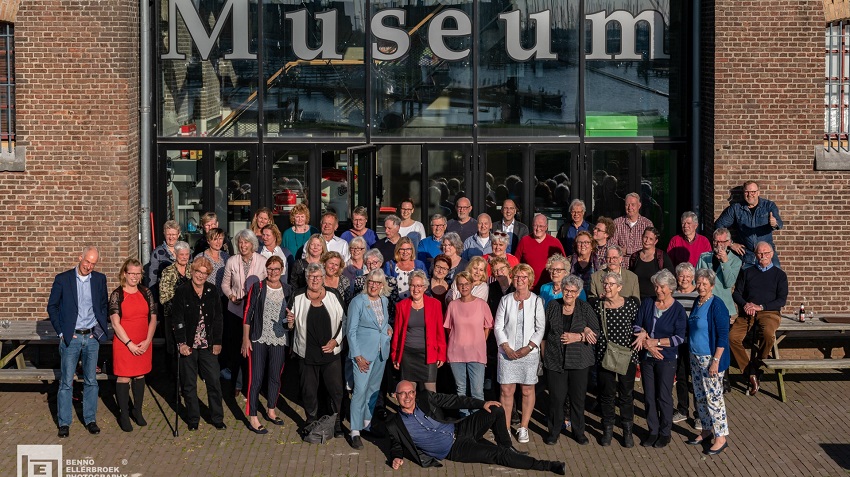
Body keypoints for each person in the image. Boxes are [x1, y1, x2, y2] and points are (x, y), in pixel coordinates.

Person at [385, 380, 565, 474]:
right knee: (496, 456)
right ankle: (548, 466)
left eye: (410, 392)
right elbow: (396, 444)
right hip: (455, 449)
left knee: (495, 409)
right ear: (396, 396)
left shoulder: (424, 398)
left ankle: (508, 447)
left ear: (415, 393)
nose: (407, 397)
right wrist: (396, 457)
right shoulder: (395, 423)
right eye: (403, 394)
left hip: (459, 429)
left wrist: (482, 403)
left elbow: (453, 400)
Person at [48, 246, 109, 438]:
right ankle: (64, 422)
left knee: (91, 381)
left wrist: (98, 330)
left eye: (93, 263)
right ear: (79, 258)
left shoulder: (99, 279)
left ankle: (90, 419)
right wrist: (61, 333)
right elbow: (52, 307)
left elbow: (103, 305)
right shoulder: (63, 279)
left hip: (91, 337)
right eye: (86, 262)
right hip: (71, 337)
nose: (89, 266)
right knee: (66, 382)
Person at [288, 263, 347, 435]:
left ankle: (336, 422)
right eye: (311, 277)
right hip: (306, 353)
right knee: (308, 391)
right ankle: (311, 420)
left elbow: (346, 320)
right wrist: (289, 322)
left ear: (323, 278)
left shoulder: (334, 295)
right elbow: (288, 324)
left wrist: (335, 341)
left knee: (336, 390)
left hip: (331, 353)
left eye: (318, 277)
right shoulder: (297, 296)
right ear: (306, 278)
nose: (315, 280)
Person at [633, 269, 687, 449]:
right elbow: (636, 324)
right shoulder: (648, 303)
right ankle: (653, 430)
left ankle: (665, 432)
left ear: (670, 288)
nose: (658, 290)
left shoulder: (677, 309)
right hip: (647, 357)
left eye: (662, 287)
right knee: (649, 395)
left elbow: (679, 337)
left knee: (663, 396)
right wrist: (645, 340)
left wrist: (656, 342)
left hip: (666, 357)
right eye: (656, 286)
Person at [542, 275, 598, 445]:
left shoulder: (585, 308)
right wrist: (544, 356)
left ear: (578, 292)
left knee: (577, 398)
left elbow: (597, 333)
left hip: (579, 361)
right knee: (556, 399)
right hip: (554, 360)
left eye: (573, 291)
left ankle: (579, 431)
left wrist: (579, 336)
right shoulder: (552, 306)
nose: (569, 294)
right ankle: (554, 431)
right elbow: (543, 332)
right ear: (562, 290)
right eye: (566, 290)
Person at [172, 257, 226, 431]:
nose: (201, 276)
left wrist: (217, 342)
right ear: (192, 271)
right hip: (188, 344)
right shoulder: (182, 291)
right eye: (198, 272)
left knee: (214, 381)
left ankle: (217, 417)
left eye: (205, 273)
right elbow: (177, 318)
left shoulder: (212, 290)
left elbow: (218, 318)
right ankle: (193, 418)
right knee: (189, 384)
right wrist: (181, 343)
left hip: (208, 344)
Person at [494, 263, 545, 444]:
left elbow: (540, 329)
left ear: (530, 280)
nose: (520, 280)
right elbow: (498, 326)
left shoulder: (537, 301)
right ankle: (506, 428)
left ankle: (523, 427)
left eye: (524, 277)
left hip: (529, 353)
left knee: (527, 389)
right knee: (506, 390)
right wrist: (506, 346)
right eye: (517, 276)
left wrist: (529, 347)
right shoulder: (506, 300)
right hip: (507, 352)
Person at [730, 241, 788, 395]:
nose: (763, 256)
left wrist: (761, 307)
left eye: (766, 253)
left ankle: (756, 365)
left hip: (769, 312)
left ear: (772, 254)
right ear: (755, 255)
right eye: (759, 253)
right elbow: (736, 293)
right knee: (731, 337)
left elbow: (781, 300)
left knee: (769, 334)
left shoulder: (780, 275)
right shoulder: (747, 272)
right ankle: (750, 373)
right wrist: (746, 304)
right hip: (747, 312)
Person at [241, 256, 290, 434]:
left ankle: (271, 409)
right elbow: (248, 313)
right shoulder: (258, 287)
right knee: (256, 378)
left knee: (275, 377)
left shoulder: (288, 289)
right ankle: (253, 416)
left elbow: (291, 318)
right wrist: (245, 339)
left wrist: (291, 322)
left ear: (282, 270)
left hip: (279, 339)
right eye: (270, 269)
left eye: (276, 269)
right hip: (258, 338)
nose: (273, 272)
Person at [685, 269, 731, 455]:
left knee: (714, 398)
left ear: (712, 286)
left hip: (710, 358)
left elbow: (723, 336)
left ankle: (721, 436)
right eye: (699, 283)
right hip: (695, 356)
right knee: (700, 396)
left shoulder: (717, 305)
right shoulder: (698, 301)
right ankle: (706, 430)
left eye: (705, 284)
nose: (701, 286)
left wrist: (716, 361)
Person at [109, 259, 158, 432]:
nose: (135, 277)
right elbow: (115, 323)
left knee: (139, 376)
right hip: (124, 343)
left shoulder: (146, 292)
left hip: (144, 342)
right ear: (124, 273)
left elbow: (153, 318)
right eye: (132, 273)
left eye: (138, 273)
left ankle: (137, 411)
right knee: (124, 377)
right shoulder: (117, 294)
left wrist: (148, 340)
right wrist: (129, 344)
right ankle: (123, 414)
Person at [592, 272, 640, 448]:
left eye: (611, 284)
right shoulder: (598, 305)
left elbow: (639, 324)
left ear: (619, 287)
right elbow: (591, 325)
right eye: (605, 283)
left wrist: (642, 332)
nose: (607, 287)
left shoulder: (631, 304)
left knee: (626, 395)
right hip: (605, 355)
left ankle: (627, 431)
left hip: (627, 355)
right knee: (606, 395)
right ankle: (608, 429)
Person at [347, 269, 393, 449]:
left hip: (381, 353)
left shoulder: (384, 300)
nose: (374, 285)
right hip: (363, 355)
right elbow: (351, 331)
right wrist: (357, 356)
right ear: (367, 283)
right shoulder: (358, 302)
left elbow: (382, 322)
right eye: (371, 282)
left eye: (378, 282)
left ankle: (366, 424)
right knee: (360, 391)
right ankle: (355, 431)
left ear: (383, 285)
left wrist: (388, 328)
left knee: (373, 390)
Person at [222, 229, 268, 397]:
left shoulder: (263, 262)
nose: (243, 245)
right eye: (240, 242)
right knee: (237, 349)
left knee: (254, 350)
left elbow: (265, 286)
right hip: (235, 311)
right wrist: (232, 296)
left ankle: (254, 385)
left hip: (255, 313)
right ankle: (238, 383)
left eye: (246, 242)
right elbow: (225, 285)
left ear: (253, 244)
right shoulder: (232, 261)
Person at [444, 271, 494, 413]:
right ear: (457, 287)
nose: (464, 287)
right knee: (461, 390)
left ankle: (478, 424)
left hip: (476, 353)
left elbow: (488, 326)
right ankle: (464, 422)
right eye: (461, 284)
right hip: (456, 353)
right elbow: (449, 328)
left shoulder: (482, 304)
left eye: (467, 284)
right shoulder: (453, 305)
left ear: (472, 285)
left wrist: (479, 341)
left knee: (477, 391)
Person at [391, 271, 446, 392]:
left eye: (419, 286)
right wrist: (395, 355)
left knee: (430, 393)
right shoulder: (402, 305)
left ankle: (430, 412)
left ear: (425, 288)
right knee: (409, 392)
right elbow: (397, 333)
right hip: (408, 355)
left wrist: (441, 354)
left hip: (429, 353)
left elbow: (439, 332)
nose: (416, 289)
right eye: (413, 285)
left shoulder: (435, 304)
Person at [714, 180, 783, 268]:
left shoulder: (768, 206)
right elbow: (719, 225)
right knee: (745, 279)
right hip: (746, 253)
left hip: (766, 252)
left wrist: (774, 223)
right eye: (747, 192)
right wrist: (731, 244)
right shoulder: (736, 208)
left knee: (775, 271)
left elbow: (780, 224)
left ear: (758, 192)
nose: (750, 194)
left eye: (753, 192)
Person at [671, 262, 698, 426]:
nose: (685, 279)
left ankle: (699, 413)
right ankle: (682, 409)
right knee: (681, 377)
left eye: (688, 276)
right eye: (681, 276)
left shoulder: (698, 294)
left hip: (694, 343)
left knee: (696, 380)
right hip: (677, 342)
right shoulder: (672, 295)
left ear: (693, 278)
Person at [514, 214, 566, 291]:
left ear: (546, 227)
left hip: (550, 288)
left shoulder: (555, 243)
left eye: (541, 226)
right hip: (528, 288)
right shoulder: (524, 241)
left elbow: (564, 265)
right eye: (535, 225)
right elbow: (516, 264)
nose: (538, 229)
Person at [159, 241, 192, 360]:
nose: (184, 257)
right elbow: (164, 297)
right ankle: (173, 375)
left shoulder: (193, 270)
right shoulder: (167, 272)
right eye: (181, 254)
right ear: (175, 255)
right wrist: (179, 308)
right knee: (172, 347)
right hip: (172, 315)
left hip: (190, 316)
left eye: (186, 254)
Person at [629, 226, 674, 299]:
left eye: (651, 239)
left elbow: (671, 278)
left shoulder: (662, 257)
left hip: (655, 299)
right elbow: (630, 278)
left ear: (655, 241)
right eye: (645, 237)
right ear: (642, 237)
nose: (647, 241)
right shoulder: (634, 257)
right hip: (637, 299)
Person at [612, 192, 654, 264]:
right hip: (621, 266)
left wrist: (627, 251)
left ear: (639, 205)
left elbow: (648, 247)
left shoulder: (647, 224)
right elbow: (612, 246)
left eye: (633, 205)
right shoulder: (616, 223)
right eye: (627, 205)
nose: (629, 207)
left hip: (641, 265)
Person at [147, 220, 180, 297]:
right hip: (164, 295)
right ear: (164, 234)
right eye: (168, 234)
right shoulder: (157, 253)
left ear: (178, 234)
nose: (171, 237)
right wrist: (153, 299)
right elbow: (152, 278)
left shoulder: (184, 250)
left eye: (173, 234)